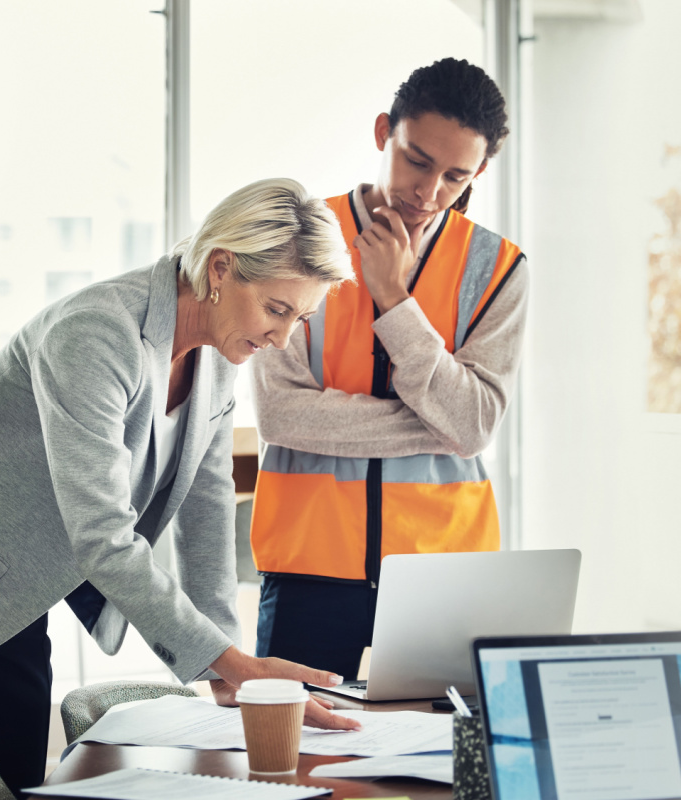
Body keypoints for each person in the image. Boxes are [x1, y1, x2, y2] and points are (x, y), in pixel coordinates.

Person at [0, 178, 360, 795]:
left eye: (299, 318)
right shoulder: (98, 332)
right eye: (277, 310)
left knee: (15, 775)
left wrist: (227, 667)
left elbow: (208, 516)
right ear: (220, 267)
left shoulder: (220, 359)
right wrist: (232, 665)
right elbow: (104, 535)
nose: (282, 338)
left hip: (26, 590)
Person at [249, 58, 529, 680]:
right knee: (296, 767)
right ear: (384, 133)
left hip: (445, 571)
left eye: (455, 176)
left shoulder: (498, 269)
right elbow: (280, 412)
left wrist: (395, 301)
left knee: (438, 769)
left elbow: (476, 423)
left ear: (479, 172)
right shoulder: (299, 242)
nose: (427, 193)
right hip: (307, 568)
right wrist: (442, 425)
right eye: (417, 160)